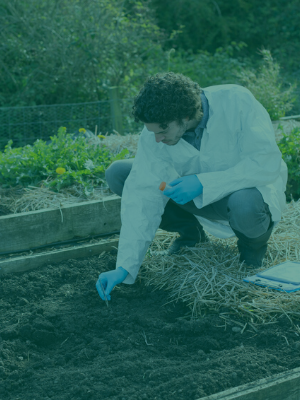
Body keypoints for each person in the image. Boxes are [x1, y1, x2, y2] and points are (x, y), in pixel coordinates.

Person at [96, 72, 287, 302]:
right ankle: (191, 234)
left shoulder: (237, 102)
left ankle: (252, 249)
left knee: (244, 205)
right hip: (193, 199)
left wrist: (203, 183)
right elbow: (141, 196)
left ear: (185, 116)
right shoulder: (157, 135)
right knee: (120, 174)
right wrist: (124, 267)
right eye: (153, 132)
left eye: (162, 132)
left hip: (246, 194)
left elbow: (265, 163)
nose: (157, 139)